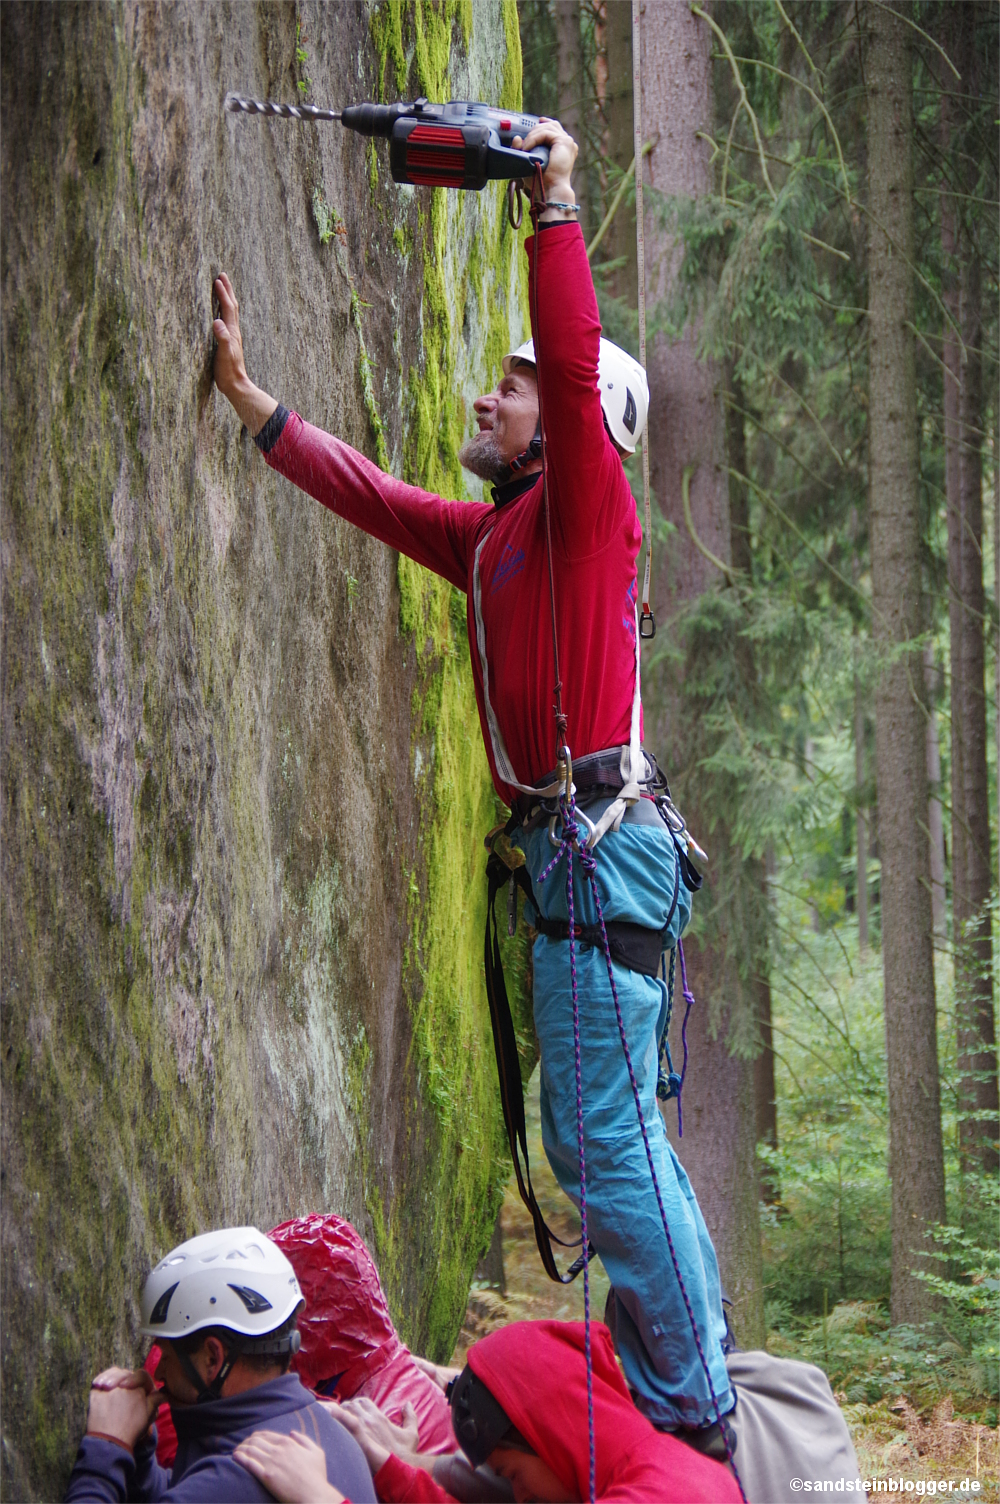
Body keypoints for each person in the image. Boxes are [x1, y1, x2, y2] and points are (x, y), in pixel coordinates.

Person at [211, 117, 733, 1435]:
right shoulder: (499, 542)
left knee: (611, 1150)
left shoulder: (587, 520)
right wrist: (252, 407)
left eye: (506, 393)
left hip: (599, 845)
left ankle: (699, 1400)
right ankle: (679, 1369)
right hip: (576, 853)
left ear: (571, 430)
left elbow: (566, 368)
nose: (483, 403)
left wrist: (553, 203)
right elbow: (375, 497)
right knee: (592, 1146)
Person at [233, 1320, 742, 1504]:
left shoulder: (660, 1495)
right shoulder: (657, 1467)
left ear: (550, 1435)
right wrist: (398, 1471)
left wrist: (321, 1498)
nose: (518, 1496)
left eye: (511, 1474)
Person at [64, 1226, 376, 1503]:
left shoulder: (235, 1478)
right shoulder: (338, 1440)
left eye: (168, 1356)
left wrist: (107, 1447)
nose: (158, 1374)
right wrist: (141, 1452)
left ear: (213, 1358)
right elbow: (187, 1491)